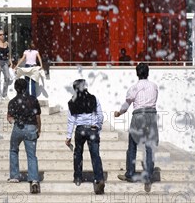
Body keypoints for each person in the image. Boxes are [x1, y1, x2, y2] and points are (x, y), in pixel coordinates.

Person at [114, 62, 159, 193]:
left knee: (132, 146)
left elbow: (127, 104)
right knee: (150, 147)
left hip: (138, 116)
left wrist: (119, 113)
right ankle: (149, 177)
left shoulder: (134, 88)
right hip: (151, 115)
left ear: (137, 73)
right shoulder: (154, 86)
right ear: (148, 73)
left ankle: (130, 174)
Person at [65, 79, 105, 194]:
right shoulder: (94, 98)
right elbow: (100, 115)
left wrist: (68, 136)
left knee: (78, 153)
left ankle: (78, 177)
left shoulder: (72, 101)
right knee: (95, 155)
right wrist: (98, 127)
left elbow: (71, 120)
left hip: (80, 129)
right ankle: (99, 179)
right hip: (92, 129)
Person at [7, 79, 41, 194]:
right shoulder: (33, 100)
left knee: (13, 150)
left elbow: (9, 118)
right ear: (26, 87)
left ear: (16, 88)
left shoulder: (12, 102)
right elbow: (37, 117)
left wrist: (14, 121)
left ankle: (14, 176)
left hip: (19, 128)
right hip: (31, 128)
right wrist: (39, 129)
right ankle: (34, 179)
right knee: (32, 155)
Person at [0, 29, 13, 99]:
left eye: (3, 34)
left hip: (5, 62)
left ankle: (4, 94)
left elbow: (9, 54)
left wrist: (10, 61)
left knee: (7, 77)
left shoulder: (7, 43)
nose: (2, 36)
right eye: (0, 35)